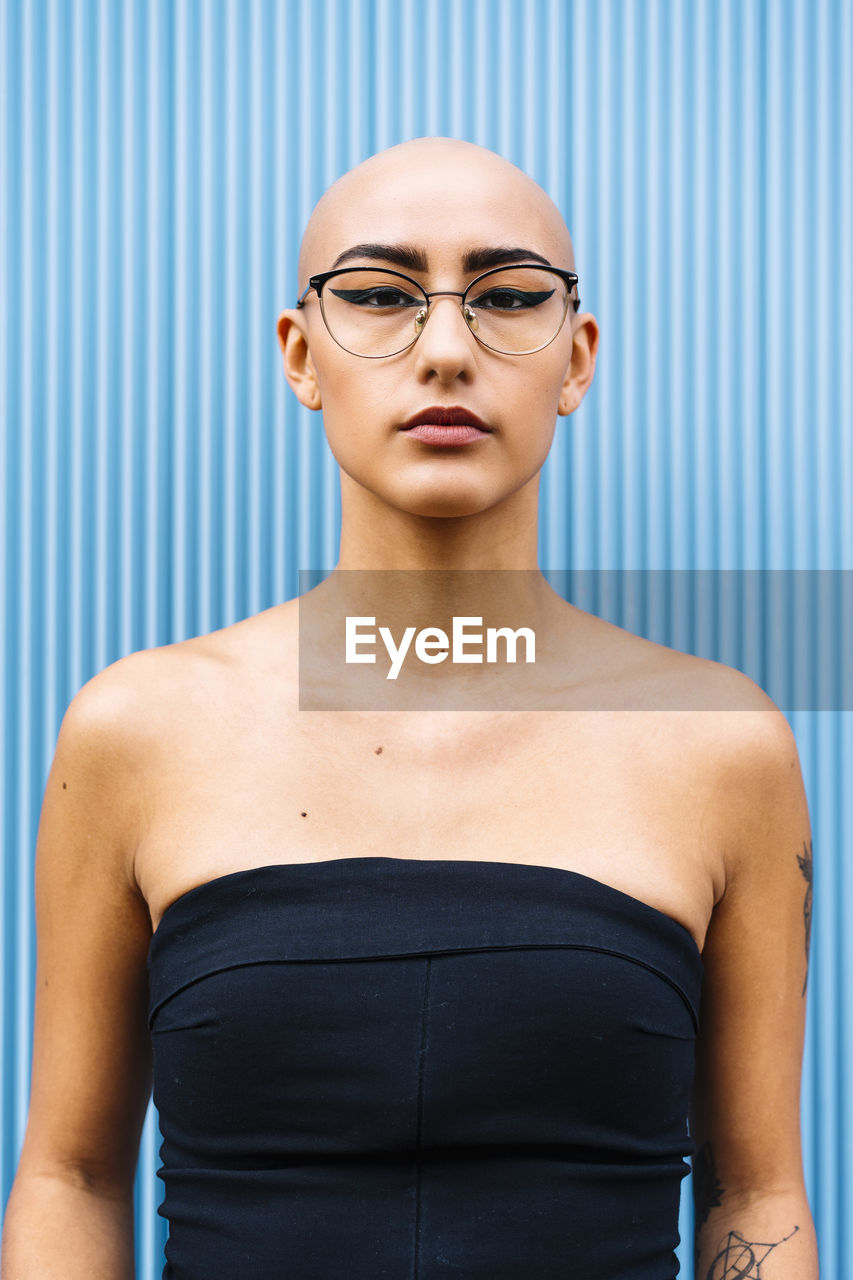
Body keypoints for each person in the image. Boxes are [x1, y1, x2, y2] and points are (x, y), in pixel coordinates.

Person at [1, 137, 817, 1279]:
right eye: (380, 296)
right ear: (299, 354)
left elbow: (758, 1190)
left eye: (508, 297)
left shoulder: (720, 744)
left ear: (576, 360)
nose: (444, 349)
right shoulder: (137, 731)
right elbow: (70, 1173)